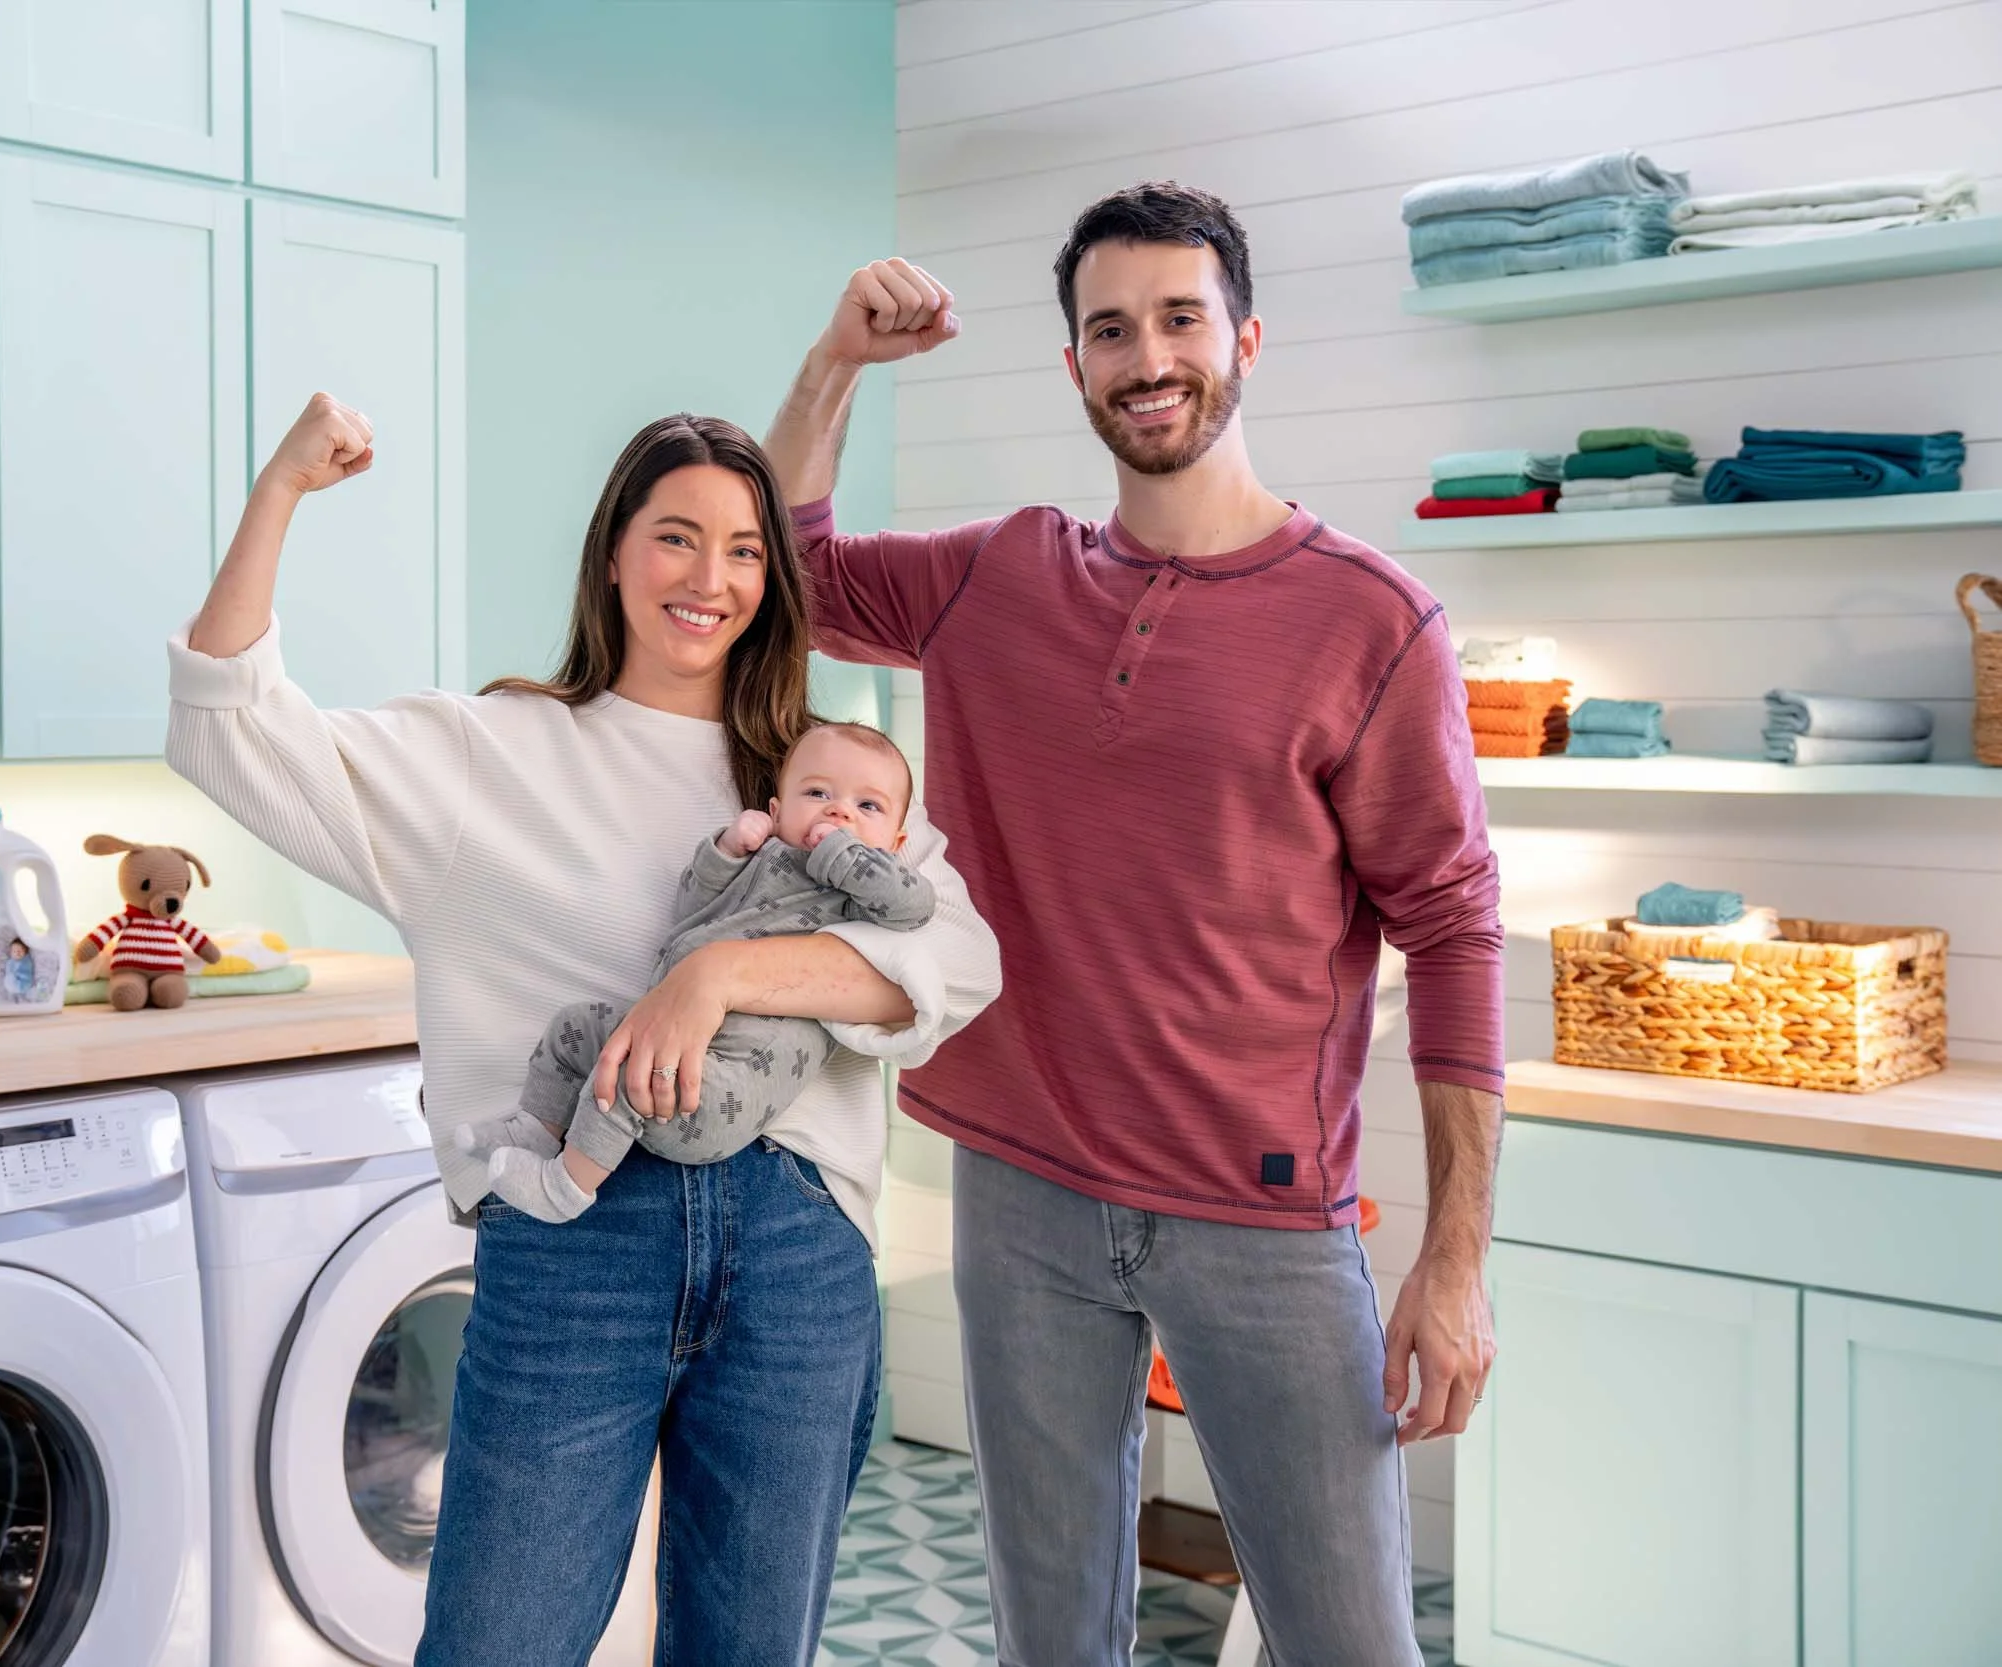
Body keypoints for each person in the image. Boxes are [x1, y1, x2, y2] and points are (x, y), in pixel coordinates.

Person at [765, 181, 1504, 1663]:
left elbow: (1453, 922)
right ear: (1075, 366)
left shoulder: (1375, 620)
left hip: (1266, 1214)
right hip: (1022, 1191)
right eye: (1112, 329)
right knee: (1053, 1633)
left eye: (1179, 318)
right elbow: (793, 571)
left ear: (1245, 337)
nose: (1147, 356)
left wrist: (1456, 1257)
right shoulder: (997, 574)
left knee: (1350, 1635)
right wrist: (835, 358)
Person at [166, 397, 1000, 1663]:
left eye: (743, 550)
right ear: (613, 550)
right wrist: (278, 488)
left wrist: (719, 974)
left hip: (794, 1250)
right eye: (675, 536)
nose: (707, 578)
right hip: (575, 1241)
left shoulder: (817, 779)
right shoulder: (482, 754)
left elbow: (954, 959)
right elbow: (229, 730)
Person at [463, 720, 935, 1221]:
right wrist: (727, 852)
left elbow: (914, 906)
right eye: (817, 792)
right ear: (777, 810)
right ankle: (532, 1132)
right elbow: (691, 910)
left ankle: (564, 1190)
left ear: (895, 840)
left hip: (726, 1086)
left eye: (868, 807)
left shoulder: (864, 888)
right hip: (671, 1030)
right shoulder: (767, 856)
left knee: (632, 1074)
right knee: (577, 1026)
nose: (838, 811)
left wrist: (843, 852)